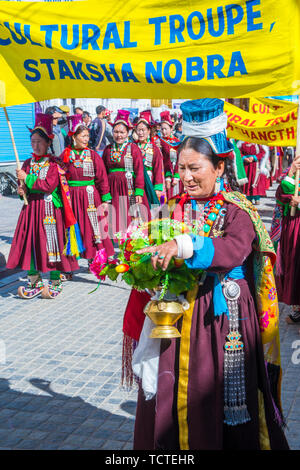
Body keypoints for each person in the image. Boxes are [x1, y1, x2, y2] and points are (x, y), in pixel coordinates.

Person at [122, 99, 289, 450]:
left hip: (222, 320)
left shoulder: (238, 211)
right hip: (178, 319)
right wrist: (143, 257)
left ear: (219, 166)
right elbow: (155, 246)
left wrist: (185, 246)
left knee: (215, 397)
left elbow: (232, 250)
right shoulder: (174, 208)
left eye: (194, 168)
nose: (185, 177)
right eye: (180, 168)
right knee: (173, 395)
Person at [6, 114, 79, 299]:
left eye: (39, 141)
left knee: (52, 243)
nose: (35, 145)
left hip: (49, 211)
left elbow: (48, 185)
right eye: (33, 141)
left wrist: (27, 178)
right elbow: (25, 188)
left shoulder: (54, 164)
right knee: (30, 242)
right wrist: (22, 190)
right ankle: (34, 280)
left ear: (48, 143)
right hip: (31, 210)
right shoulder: (27, 163)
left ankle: (55, 280)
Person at [60, 114, 114, 269]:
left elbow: (102, 177)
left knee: (93, 228)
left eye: (87, 136)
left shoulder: (92, 155)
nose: (86, 139)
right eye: (83, 136)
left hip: (90, 197)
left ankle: (96, 259)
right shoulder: (65, 155)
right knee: (74, 228)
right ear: (74, 137)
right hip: (72, 198)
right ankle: (71, 265)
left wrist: (105, 200)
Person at [102, 110, 150, 235]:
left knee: (132, 214)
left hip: (130, 186)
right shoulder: (108, 150)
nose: (119, 135)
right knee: (117, 214)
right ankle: (119, 239)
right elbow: (103, 172)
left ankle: (133, 241)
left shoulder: (133, 149)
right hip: (114, 188)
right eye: (116, 132)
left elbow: (139, 170)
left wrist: (139, 191)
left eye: (122, 132)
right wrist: (105, 193)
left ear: (128, 133)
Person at [274, 155, 300, 327]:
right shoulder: (292, 172)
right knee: (295, 264)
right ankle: (297, 307)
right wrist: (291, 171)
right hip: (293, 225)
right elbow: (282, 192)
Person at [135, 110, 164, 204]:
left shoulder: (154, 149)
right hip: (136, 183)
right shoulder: (132, 147)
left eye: (143, 130)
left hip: (150, 181)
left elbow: (158, 169)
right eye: (138, 130)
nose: (140, 133)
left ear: (148, 131)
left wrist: (158, 188)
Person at [159, 110, 182, 199]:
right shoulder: (158, 142)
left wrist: (176, 176)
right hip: (163, 175)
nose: (164, 131)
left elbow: (180, 160)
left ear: (171, 129)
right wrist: (167, 177)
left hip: (176, 176)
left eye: (166, 128)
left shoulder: (177, 142)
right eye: (162, 129)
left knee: (176, 200)